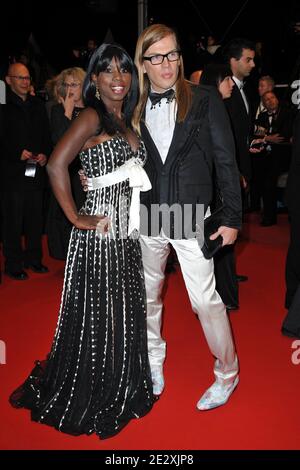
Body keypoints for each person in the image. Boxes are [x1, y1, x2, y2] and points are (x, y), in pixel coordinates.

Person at [9, 43, 155, 439]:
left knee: (121, 310)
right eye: (107, 71)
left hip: (125, 234)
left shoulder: (125, 120)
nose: (117, 78)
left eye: (124, 70)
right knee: (98, 314)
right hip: (101, 233)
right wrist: (75, 215)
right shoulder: (92, 116)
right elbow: (57, 163)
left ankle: (120, 379)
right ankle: (94, 388)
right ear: (94, 80)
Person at [133, 24, 242, 410]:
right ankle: (153, 361)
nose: (167, 64)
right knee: (147, 298)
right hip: (148, 214)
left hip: (191, 214)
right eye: (157, 57)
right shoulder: (134, 105)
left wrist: (231, 217)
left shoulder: (205, 99)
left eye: (173, 54)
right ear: (143, 63)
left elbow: (226, 161)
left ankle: (228, 372)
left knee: (205, 302)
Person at [0, 62, 51, 280]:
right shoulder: (2, 105)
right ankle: (13, 264)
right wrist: (15, 152)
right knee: (12, 220)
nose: (25, 82)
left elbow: (46, 135)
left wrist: (45, 154)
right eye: (20, 78)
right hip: (11, 174)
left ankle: (34, 259)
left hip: (34, 171)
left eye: (27, 78)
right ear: (8, 80)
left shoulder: (37, 105)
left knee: (34, 219)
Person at [47, 67, 86, 260]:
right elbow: (59, 143)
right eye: (67, 84)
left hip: (87, 172)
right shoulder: (57, 110)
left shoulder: (92, 111)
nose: (70, 88)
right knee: (66, 216)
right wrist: (67, 113)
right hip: (66, 173)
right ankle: (70, 257)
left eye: (74, 84)